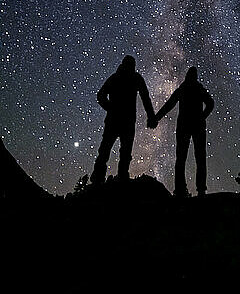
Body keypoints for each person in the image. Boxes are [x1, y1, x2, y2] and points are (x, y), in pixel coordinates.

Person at [90, 55, 156, 184]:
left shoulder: (115, 78)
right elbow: (145, 98)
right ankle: (119, 178)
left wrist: (109, 108)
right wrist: (151, 116)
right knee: (119, 151)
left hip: (117, 120)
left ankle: (101, 177)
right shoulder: (133, 78)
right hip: (125, 120)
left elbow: (101, 95)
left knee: (109, 150)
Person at [153, 67, 214, 197]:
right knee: (199, 158)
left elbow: (169, 104)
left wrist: (157, 118)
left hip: (184, 126)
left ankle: (181, 189)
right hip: (196, 126)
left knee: (182, 159)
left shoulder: (184, 88)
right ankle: (200, 190)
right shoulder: (198, 88)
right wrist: (202, 116)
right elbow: (210, 103)